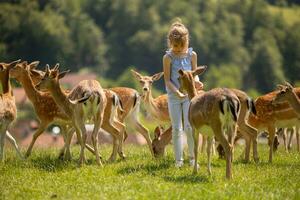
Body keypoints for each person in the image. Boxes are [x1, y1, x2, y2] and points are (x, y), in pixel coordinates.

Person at [163, 19, 203, 168]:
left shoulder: (192, 55)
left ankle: (193, 159)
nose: (178, 49)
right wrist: (176, 92)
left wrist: (197, 81)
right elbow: (167, 80)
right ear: (170, 43)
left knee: (189, 126)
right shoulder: (168, 58)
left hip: (189, 97)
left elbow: (194, 74)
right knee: (176, 128)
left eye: (181, 46)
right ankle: (178, 161)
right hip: (174, 96)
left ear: (186, 42)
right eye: (175, 46)